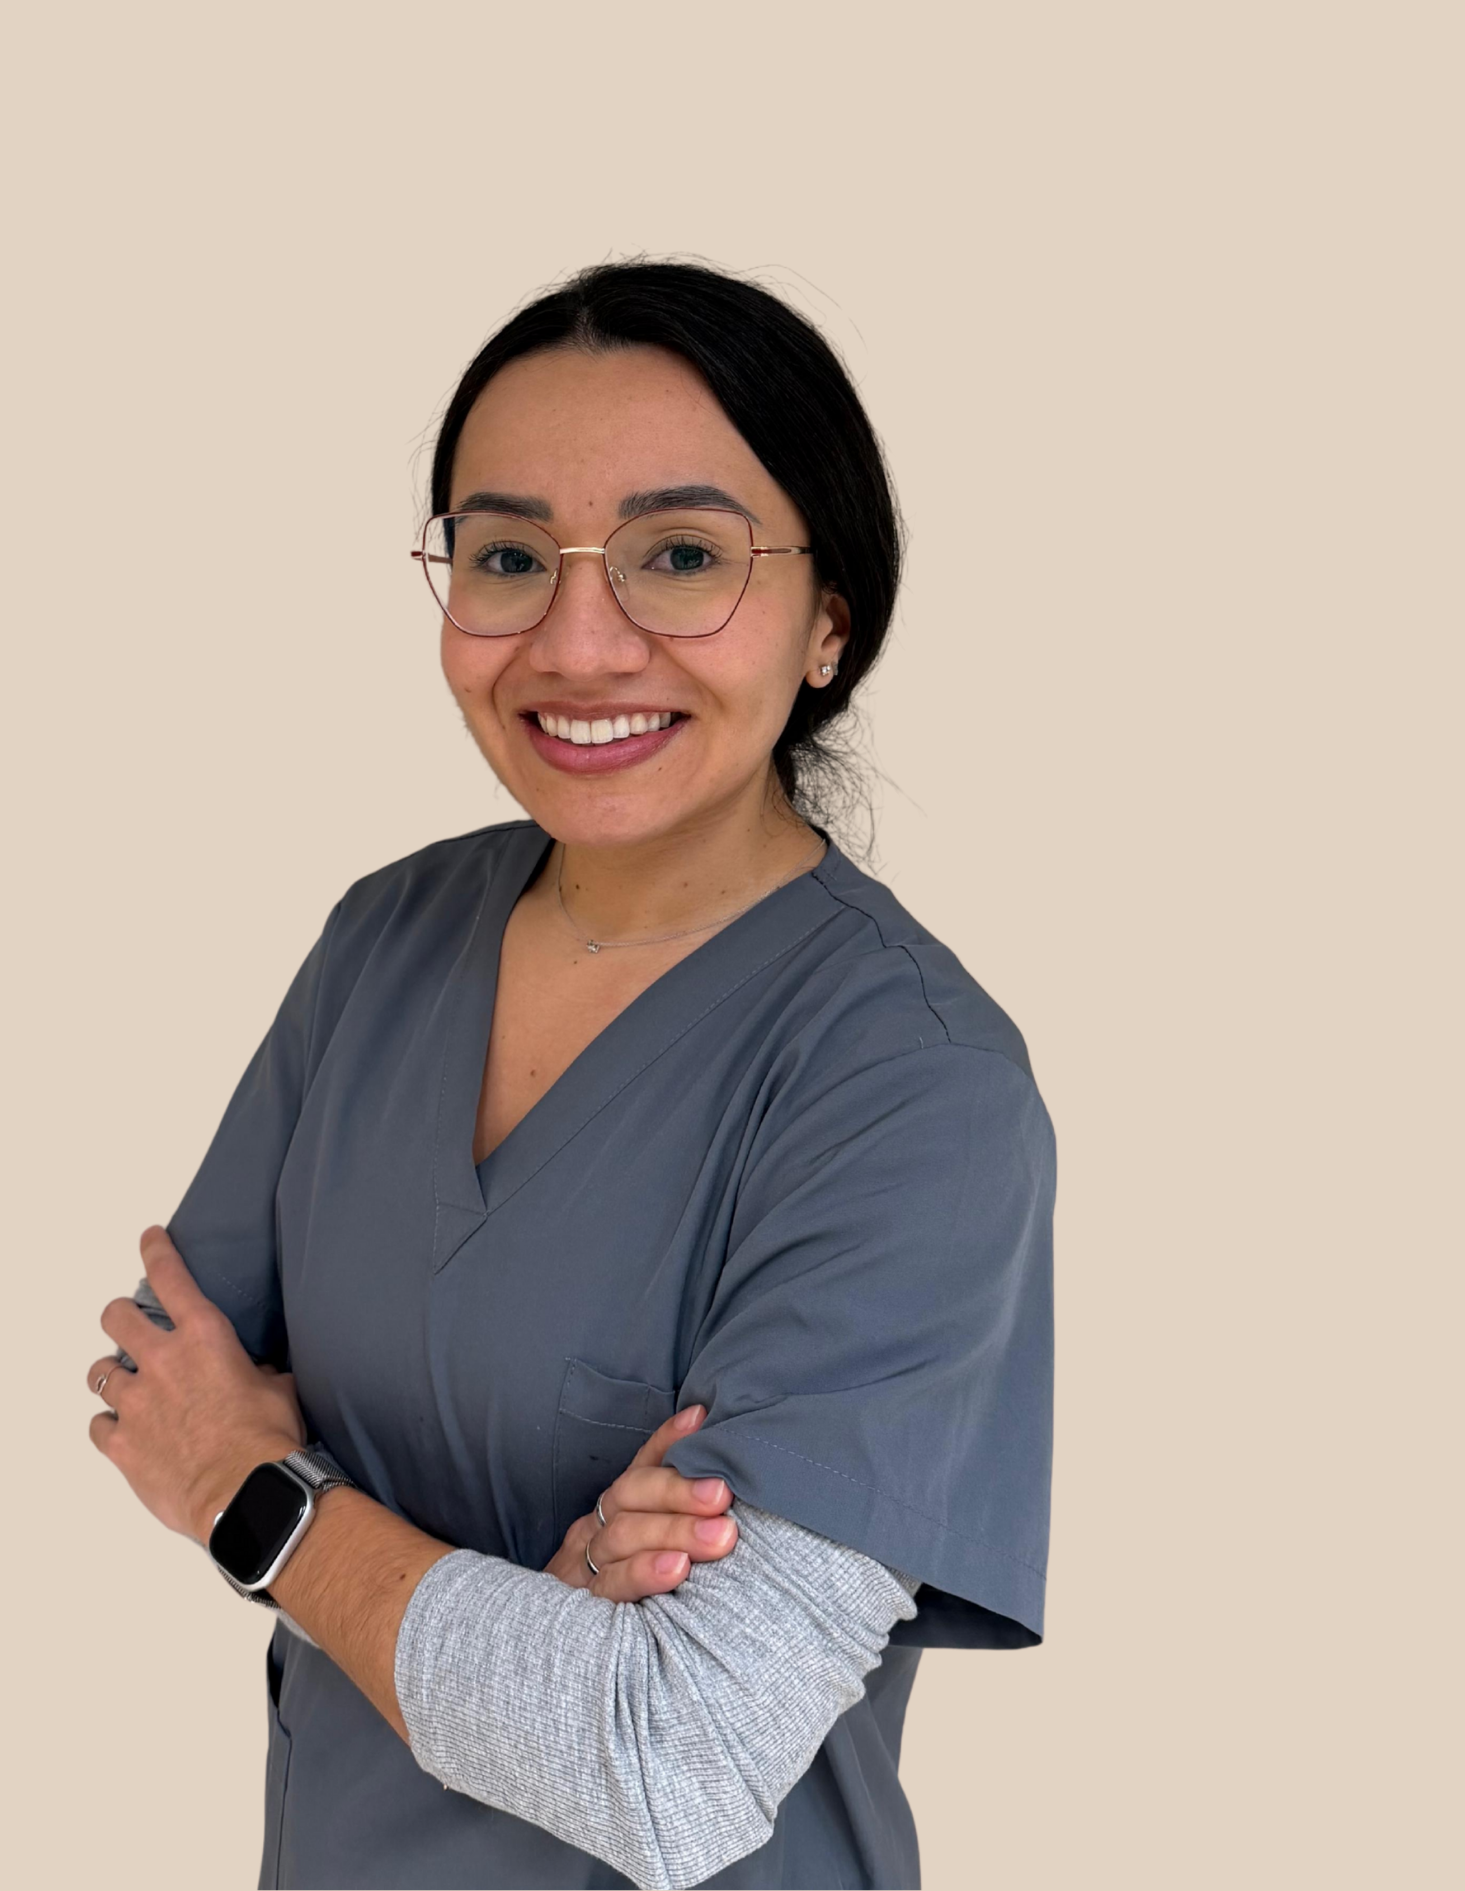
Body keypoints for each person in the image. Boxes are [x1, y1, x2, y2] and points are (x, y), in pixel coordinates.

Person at [86, 261, 1056, 1890]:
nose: (580, 639)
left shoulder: (911, 1086)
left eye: (683, 555)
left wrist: (277, 1509)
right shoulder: (385, 941)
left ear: (830, 618)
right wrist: (527, 1618)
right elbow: (163, 1399)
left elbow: (665, 1757)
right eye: (510, 555)